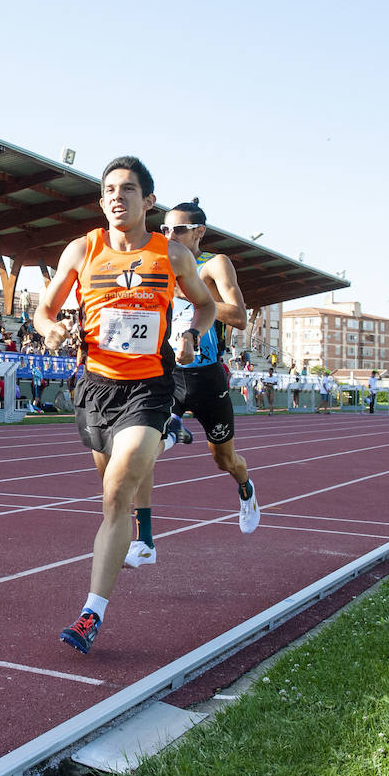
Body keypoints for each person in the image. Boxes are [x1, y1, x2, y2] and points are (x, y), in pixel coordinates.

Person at [33, 156, 214, 655]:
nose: (117, 196)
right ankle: (167, 444)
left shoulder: (172, 255)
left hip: (150, 384)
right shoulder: (83, 248)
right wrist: (52, 331)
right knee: (112, 488)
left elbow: (205, 304)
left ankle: (92, 613)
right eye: (109, 189)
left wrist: (191, 337)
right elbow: (43, 311)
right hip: (95, 388)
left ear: (148, 201)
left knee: (116, 494)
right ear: (101, 201)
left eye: (128, 189)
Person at [130, 200, 259, 548]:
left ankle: (245, 488)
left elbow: (240, 317)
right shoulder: (156, 263)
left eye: (179, 229)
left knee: (224, 460)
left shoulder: (213, 264)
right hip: (167, 373)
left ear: (199, 231)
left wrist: (196, 299)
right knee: (143, 452)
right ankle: (143, 539)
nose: (170, 235)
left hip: (207, 377)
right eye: (165, 230)